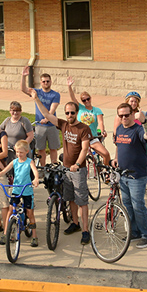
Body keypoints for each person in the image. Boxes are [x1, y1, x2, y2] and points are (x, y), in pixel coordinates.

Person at [32, 91, 92, 245]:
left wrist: (77, 165)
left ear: (77, 113)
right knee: (70, 198)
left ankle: (85, 230)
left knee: (82, 200)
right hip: (66, 169)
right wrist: (37, 99)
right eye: (67, 113)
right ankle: (75, 223)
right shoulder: (63, 124)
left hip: (78, 170)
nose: (70, 115)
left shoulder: (84, 129)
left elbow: (84, 149)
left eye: (72, 112)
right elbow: (46, 113)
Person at [114, 102, 147, 249]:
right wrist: (115, 159)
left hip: (137, 176)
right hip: (123, 175)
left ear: (133, 114)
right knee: (127, 205)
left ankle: (146, 235)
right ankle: (134, 232)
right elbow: (118, 146)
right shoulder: (120, 128)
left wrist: (145, 121)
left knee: (138, 206)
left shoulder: (138, 129)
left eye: (127, 115)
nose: (124, 117)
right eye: (121, 115)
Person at [0, 140, 40, 247]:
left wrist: (36, 179)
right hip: (16, 189)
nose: (19, 154)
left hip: (26, 190)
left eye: (21, 152)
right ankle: (5, 233)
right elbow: (4, 170)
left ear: (27, 151)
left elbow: (35, 171)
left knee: (30, 213)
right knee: (10, 210)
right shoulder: (14, 162)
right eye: (17, 152)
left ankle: (34, 236)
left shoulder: (29, 162)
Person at [21, 67, 60, 167]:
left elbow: (52, 109)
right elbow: (23, 89)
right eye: (44, 81)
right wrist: (23, 76)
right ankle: (42, 168)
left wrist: (47, 119)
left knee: (53, 148)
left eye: (47, 81)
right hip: (39, 126)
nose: (46, 83)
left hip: (52, 125)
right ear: (40, 82)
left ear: (51, 82)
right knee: (41, 149)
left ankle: (54, 168)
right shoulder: (36, 92)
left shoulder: (55, 94)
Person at [67, 77, 110, 165]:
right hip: (80, 138)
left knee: (106, 154)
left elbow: (100, 122)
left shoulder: (97, 110)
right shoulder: (80, 108)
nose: (86, 101)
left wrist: (102, 131)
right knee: (73, 157)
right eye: (84, 100)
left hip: (91, 137)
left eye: (88, 99)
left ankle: (106, 172)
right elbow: (73, 98)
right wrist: (69, 87)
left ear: (90, 98)